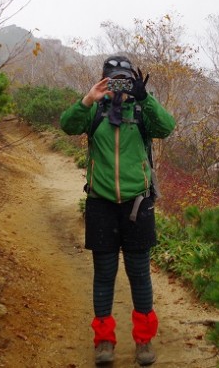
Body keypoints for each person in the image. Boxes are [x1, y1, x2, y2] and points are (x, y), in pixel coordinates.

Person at [60, 54, 175, 366]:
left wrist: (145, 97)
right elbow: (66, 125)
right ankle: (104, 342)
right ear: (105, 80)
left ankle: (144, 341)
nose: (120, 86)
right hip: (101, 203)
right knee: (104, 275)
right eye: (114, 79)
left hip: (137, 204)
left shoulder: (140, 112)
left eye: (125, 79)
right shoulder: (94, 111)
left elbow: (167, 127)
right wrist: (88, 99)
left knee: (139, 275)